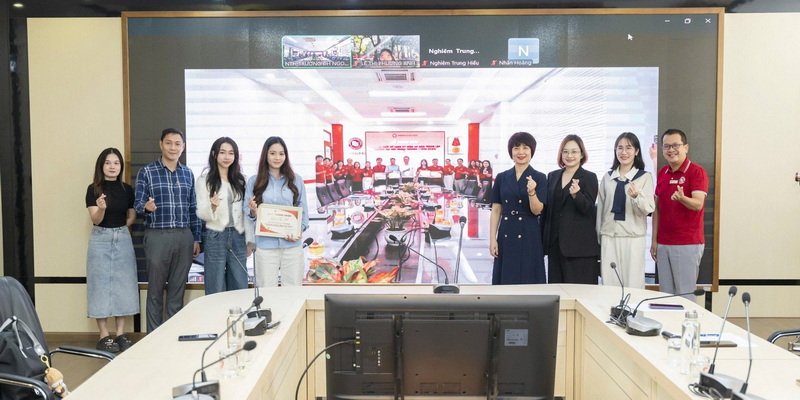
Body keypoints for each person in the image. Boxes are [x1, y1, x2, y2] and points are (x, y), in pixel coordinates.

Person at [134, 128, 202, 332]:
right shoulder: (147, 172)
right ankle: (153, 337)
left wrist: (196, 239)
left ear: (183, 147)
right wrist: (146, 207)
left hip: (184, 236)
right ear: (161, 144)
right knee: (155, 291)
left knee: (177, 291)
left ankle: (172, 335)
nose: (173, 147)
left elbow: (193, 208)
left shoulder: (187, 173)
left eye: (177, 144)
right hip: (158, 236)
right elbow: (137, 204)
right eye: (169, 143)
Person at [85, 148, 139, 352]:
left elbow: (131, 216)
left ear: (121, 166)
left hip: (122, 237)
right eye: (108, 162)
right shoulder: (93, 189)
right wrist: (101, 208)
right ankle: (104, 335)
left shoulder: (127, 189)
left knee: (123, 283)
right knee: (99, 284)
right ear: (101, 166)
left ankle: (120, 333)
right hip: (100, 238)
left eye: (116, 163)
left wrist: (120, 229)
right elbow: (96, 219)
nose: (112, 166)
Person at [651, 128, 708, 300]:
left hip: (687, 243)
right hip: (663, 243)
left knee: (685, 296)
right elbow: (657, 209)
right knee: (665, 296)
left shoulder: (697, 172)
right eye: (666, 146)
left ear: (686, 147)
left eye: (675, 145)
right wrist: (654, 240)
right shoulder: (662, 173)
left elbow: (698, 204)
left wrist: (682, 198)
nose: (671, 150)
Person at [245, 137, 309, 287]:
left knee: (293, 290)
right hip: (265, 246)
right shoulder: (254, 181)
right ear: (266, 155)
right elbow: (247, 212)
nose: (277, 157)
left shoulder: (296, 180)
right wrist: (253, 211)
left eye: (281, 153)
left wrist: (299, 230)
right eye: (273, 153)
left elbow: (303, 211)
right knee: (266, 290)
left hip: (292, 246)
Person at [195, 137, 253, 295]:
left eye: (231, 153)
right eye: (222, 152)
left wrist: (249, 240)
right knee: (215, 285)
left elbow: (245, 213)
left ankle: (238, 312)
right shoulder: (204, 180)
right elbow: (201, 212)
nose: (227, 157)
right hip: (215, 236)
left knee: (239, 283)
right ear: (214, 154)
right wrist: (212, 207)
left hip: (238, 236)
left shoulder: (241, 180)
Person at [597, 132, 655, 289]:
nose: (624, 152)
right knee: (610, 284)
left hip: (633, 238)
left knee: (633, 284)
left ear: (636, 151)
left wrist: (636, 197)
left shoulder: (644, 177)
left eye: (628, 148)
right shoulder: (608, 177)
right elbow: (601, 210)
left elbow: (648, 209)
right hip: (609, 236)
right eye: (620, 148)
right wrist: (599, 237)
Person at [489, 132, 547, 284]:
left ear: (532, 150)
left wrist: (532, 192)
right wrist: (492, 239)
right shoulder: (502, 177)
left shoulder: (539, 177)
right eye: (516, 148)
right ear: (511, 152)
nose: (521, 152)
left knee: (529, 276)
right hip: (506, 231)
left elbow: (537, 210)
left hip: (529, 232)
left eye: (525, 148)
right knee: (506, 276)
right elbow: (496, 210)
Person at [542, 135, 600, 285]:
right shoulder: (552, 176)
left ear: (581, 154)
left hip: (579, 248)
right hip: (555, 246)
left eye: (574, 151)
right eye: (565, 151)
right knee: (556, 291)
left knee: (580, 293)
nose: (569, 155)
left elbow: (588, 209)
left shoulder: (589, 177)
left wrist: (576, 195)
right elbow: (548, 211)